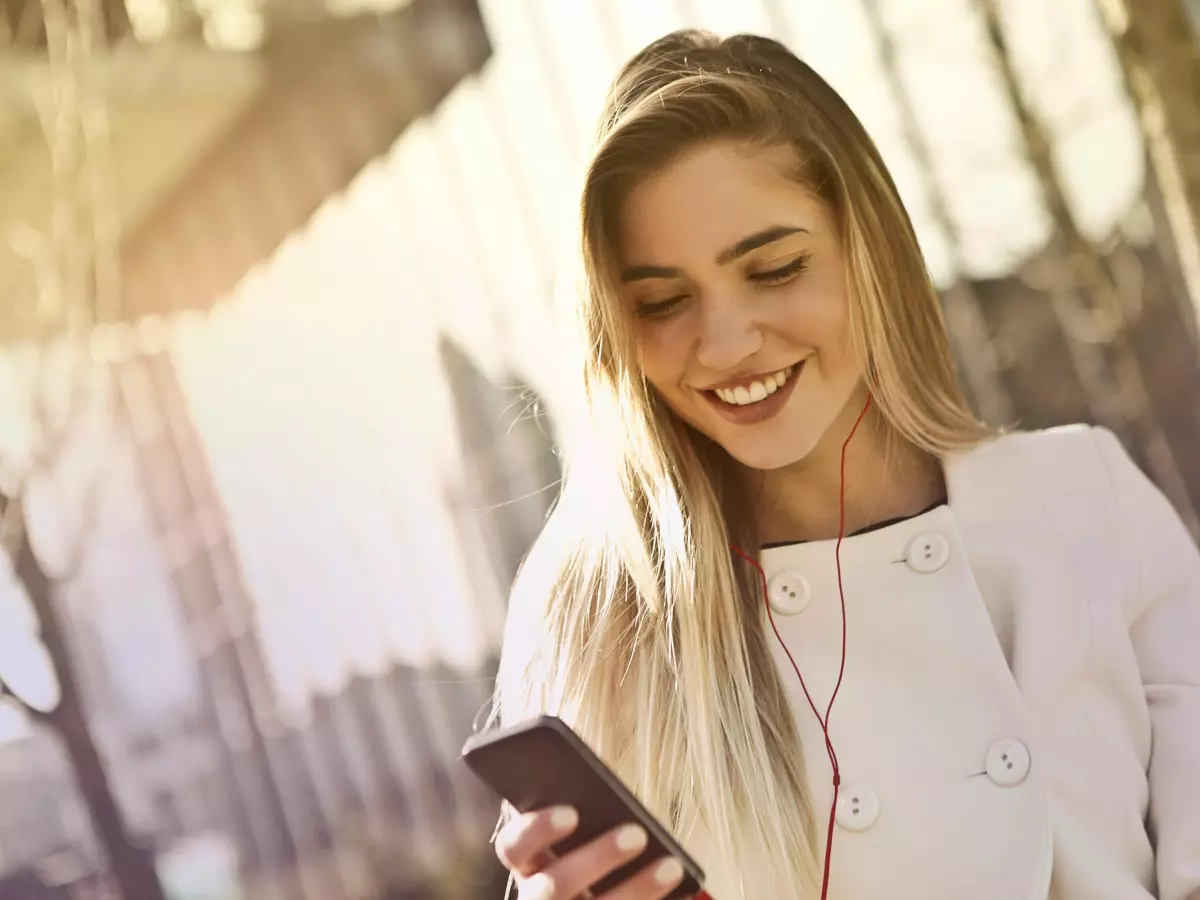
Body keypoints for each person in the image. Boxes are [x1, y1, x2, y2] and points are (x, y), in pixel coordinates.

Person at [487, 28, 1200, 900]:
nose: (725, 343)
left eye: (776, 269)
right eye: (663, 302)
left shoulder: (1084, 501)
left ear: (871, 252)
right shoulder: (601, 619)